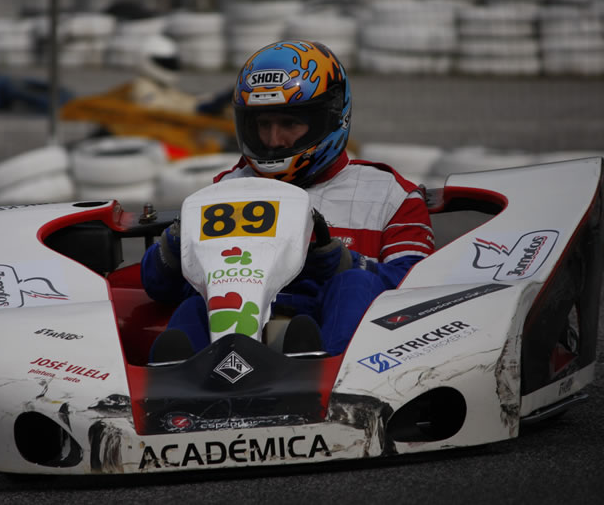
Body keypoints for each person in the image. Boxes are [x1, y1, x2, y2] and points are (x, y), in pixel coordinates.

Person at [141, 40, 434, 362]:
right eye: (262, 125)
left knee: (353, 283)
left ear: (333, 116)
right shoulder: (228, 189)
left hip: (340, 333)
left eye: (289, 124)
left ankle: (332, 375)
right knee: (196, 305)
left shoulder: (389, 193)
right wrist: (172, 246)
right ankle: (173, 385)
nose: (272, 140)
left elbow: (422, 285)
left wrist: (348, 264)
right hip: (245, 328)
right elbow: (163, 287)